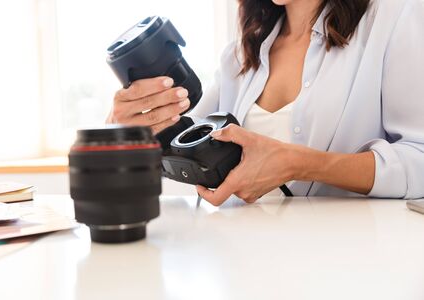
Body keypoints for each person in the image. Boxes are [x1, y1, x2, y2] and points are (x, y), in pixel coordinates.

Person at [107, 0, 424, 205]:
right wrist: (128, 131)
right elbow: (177, 150)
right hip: (245, 263)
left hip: (350, 265)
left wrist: (299, 163)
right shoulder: (241, 53)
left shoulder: (395, 18)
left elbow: (419, 161)